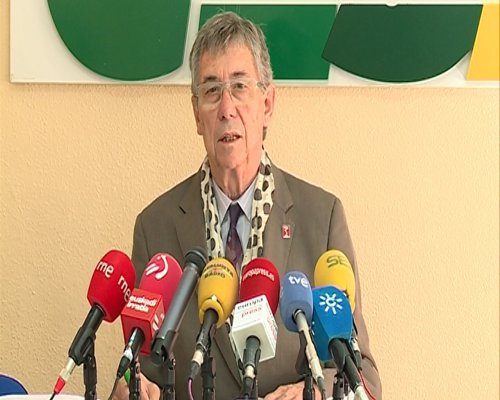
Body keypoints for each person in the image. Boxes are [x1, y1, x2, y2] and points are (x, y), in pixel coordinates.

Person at [114, 11, 382, 400]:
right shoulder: (155, 226)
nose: (227, 108)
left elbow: (364, 377)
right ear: (196, 114)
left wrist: (314, 393)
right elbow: (140, 369)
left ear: (267, 103)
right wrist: (129, 387)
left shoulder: (321, 218)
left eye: (239, 86)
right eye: (211, 90)